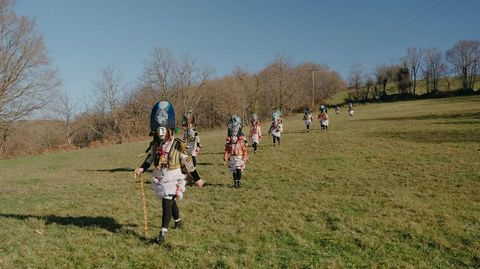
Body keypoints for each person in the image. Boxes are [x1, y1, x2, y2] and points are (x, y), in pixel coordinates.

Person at [134, 101, 205, 244]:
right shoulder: (156, 144)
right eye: (158, 130)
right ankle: (178, 222)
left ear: (169, 129)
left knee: (166, 202)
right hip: (160, 175)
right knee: (170, 202)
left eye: (163, 130)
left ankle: (162, 234)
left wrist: (197, 178)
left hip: (174, 176)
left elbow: (188, 162)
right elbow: (150, 158)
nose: (161, 133)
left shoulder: (178, 144)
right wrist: (142, 168)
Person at [224, 114, 248, 188]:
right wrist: (225, 156)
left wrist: (245, 156)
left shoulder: (240, 141)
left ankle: (239, 182)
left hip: (239, 156)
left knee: (238, 169)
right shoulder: (230, 142)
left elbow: (244, 149)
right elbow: (227, 149)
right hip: (232, 157)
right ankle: (235, 183)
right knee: (234, 170)